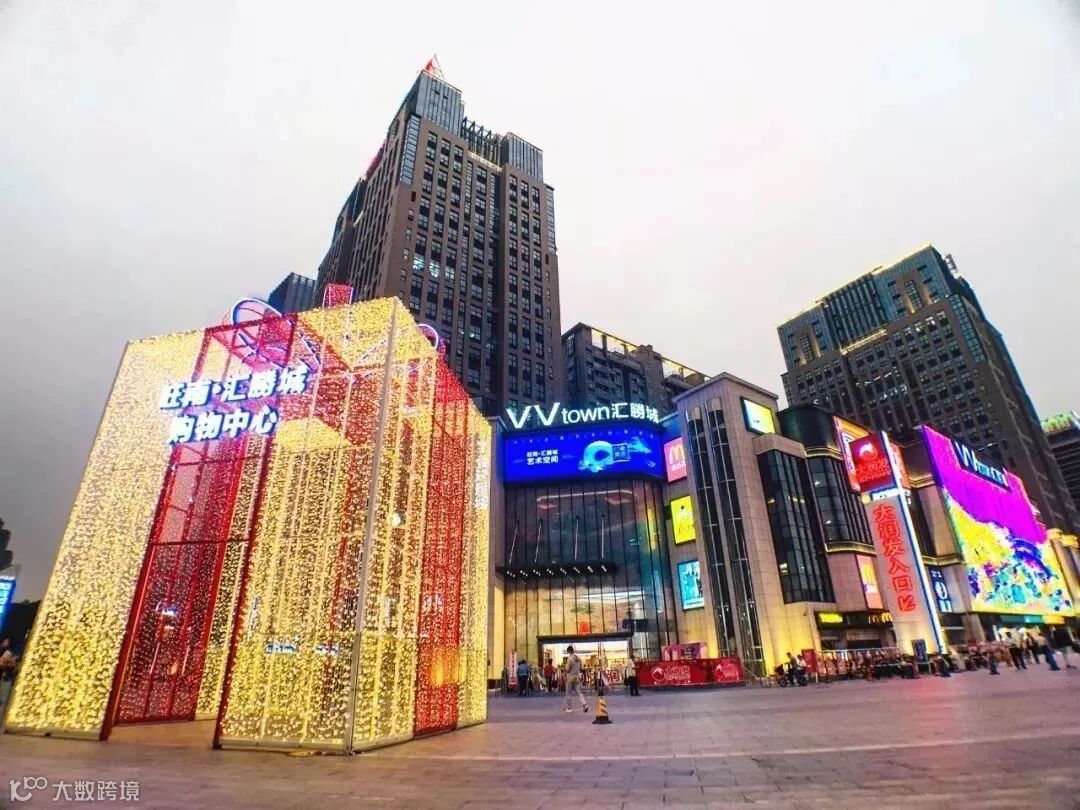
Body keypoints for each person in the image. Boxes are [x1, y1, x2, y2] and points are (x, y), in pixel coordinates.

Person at [563, 646, 588, 714]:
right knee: (579, 692)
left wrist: (564, 673)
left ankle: (569, 708)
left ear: (569, 651)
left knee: (568, 693)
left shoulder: (570, 658)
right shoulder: (578, 657)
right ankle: (584, 705)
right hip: (577, 677)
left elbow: (567, 669)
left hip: (570, 677)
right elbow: (580, 667)